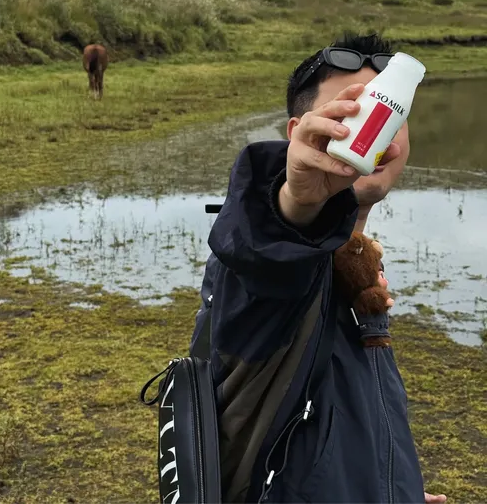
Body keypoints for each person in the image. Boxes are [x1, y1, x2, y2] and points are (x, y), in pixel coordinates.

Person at [191, 32, 448, 504]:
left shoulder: (360, 262)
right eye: (352, 112)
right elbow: (264, 255)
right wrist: (297, 202)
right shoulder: (270, 257)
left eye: (392, 115)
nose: (378, 129)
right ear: (299, 135)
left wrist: (391, 490)